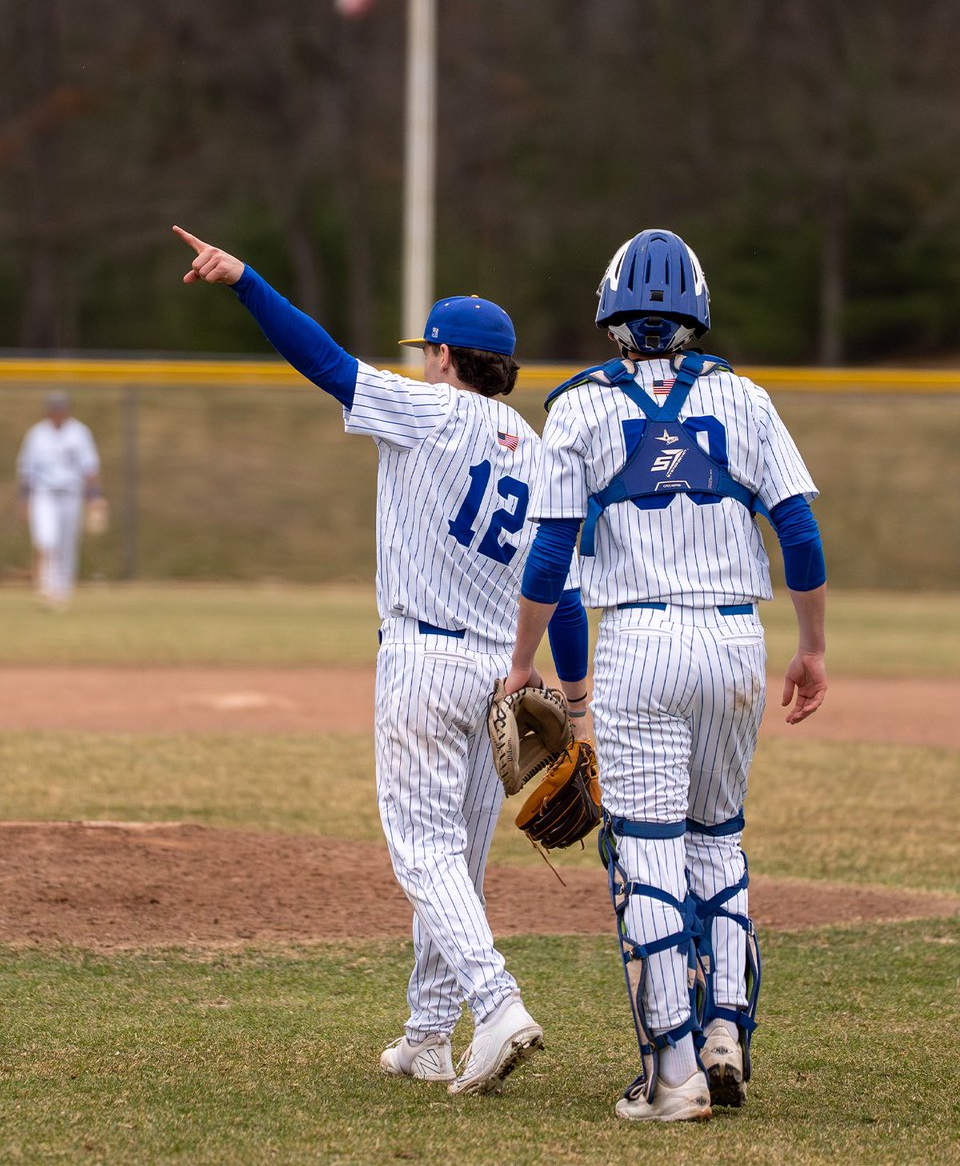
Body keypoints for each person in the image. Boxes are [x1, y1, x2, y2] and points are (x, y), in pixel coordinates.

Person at [172, 225, 590, 1096]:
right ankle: (428, 1037)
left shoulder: (428, 408)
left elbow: (326, 364)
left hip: (423, 659)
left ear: (445, 355)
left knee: (421, 853)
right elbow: (569, 593)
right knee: (459, 860)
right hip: (498, 675)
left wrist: (247, 279)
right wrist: (575, 702)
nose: (424, 361)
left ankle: (499, 1003)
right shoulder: (540, 450)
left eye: (429, 350)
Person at [505, 229, 827, 1122]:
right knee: (717, 841)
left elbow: (551, 554)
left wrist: (524, 660)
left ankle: (673, 1078)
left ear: (611, 316)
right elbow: (798, 532)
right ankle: (726, 1029)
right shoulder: (748, 400)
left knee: (646, 856)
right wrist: (813, 647)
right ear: (698, 313)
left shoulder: (576, 408)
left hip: (640, 644)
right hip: (735, 644)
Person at [16, 391, 105, 608]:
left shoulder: (79, 433)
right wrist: (24, 501)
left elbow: (90, 468)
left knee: (66, 544)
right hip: (44, 493)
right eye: (54, 408)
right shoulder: (37, 434)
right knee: (47, 539)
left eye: (60, 408)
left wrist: (95, 498)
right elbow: (27, 470)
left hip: (71, 493)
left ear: (66, 410)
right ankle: (47, 587)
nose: (57, 412)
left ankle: (62, 590)